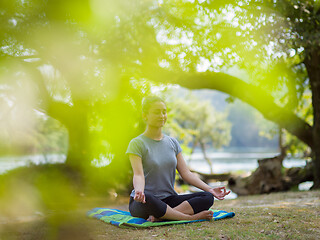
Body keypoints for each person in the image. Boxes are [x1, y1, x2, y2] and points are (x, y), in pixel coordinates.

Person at [126, 96, 230, 222]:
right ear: (145, 116)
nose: (161, 115)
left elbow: (186, 173)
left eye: (164, 112)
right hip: (144, 202)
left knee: (207, 197)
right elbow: (138, 175)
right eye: (156, 112)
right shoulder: (137, 143)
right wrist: (139, 191)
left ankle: (162, 217)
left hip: (169, 200)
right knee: (149, 198)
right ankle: (188, 217)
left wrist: (210, 189)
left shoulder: (172, 143)